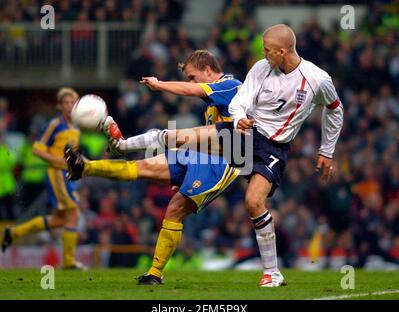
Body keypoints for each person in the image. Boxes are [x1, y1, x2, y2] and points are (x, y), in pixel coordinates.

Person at [105, 24, 344, 287]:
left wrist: (326, 151)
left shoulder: (317, 79)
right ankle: (122, 145)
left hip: (272, 149)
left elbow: (335, 110)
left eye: (267, 51)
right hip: (242, 135)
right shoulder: (261, 69)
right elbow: (240, 102)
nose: (263, 55)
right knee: (176, 136)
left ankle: (272, 273)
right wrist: (240, 118)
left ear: (282, 51)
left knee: (253, 202)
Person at [66, 50, 243, 285]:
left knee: (175, 208)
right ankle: (85, 167)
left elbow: (194, 91)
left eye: (192, 76)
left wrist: (160, 85)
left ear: (208, 70)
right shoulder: (218, 96)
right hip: (201, 153)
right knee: (144, 166)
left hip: (223, 161)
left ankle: (155, 273)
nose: (191, 82)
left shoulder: (230, 85)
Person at [1, 88, 87, 270]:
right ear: (60, 106)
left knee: (58, 221)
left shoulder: (76, 129)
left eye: (74, 102)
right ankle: (69, 262)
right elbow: (36, 149)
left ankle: (13, 233)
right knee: (74, 215)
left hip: (68, 177)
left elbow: (74, 154)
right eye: (67, 102)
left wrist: (83, 163)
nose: (71, 106)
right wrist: (59, 161)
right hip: (56, 175)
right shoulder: (55, 125)